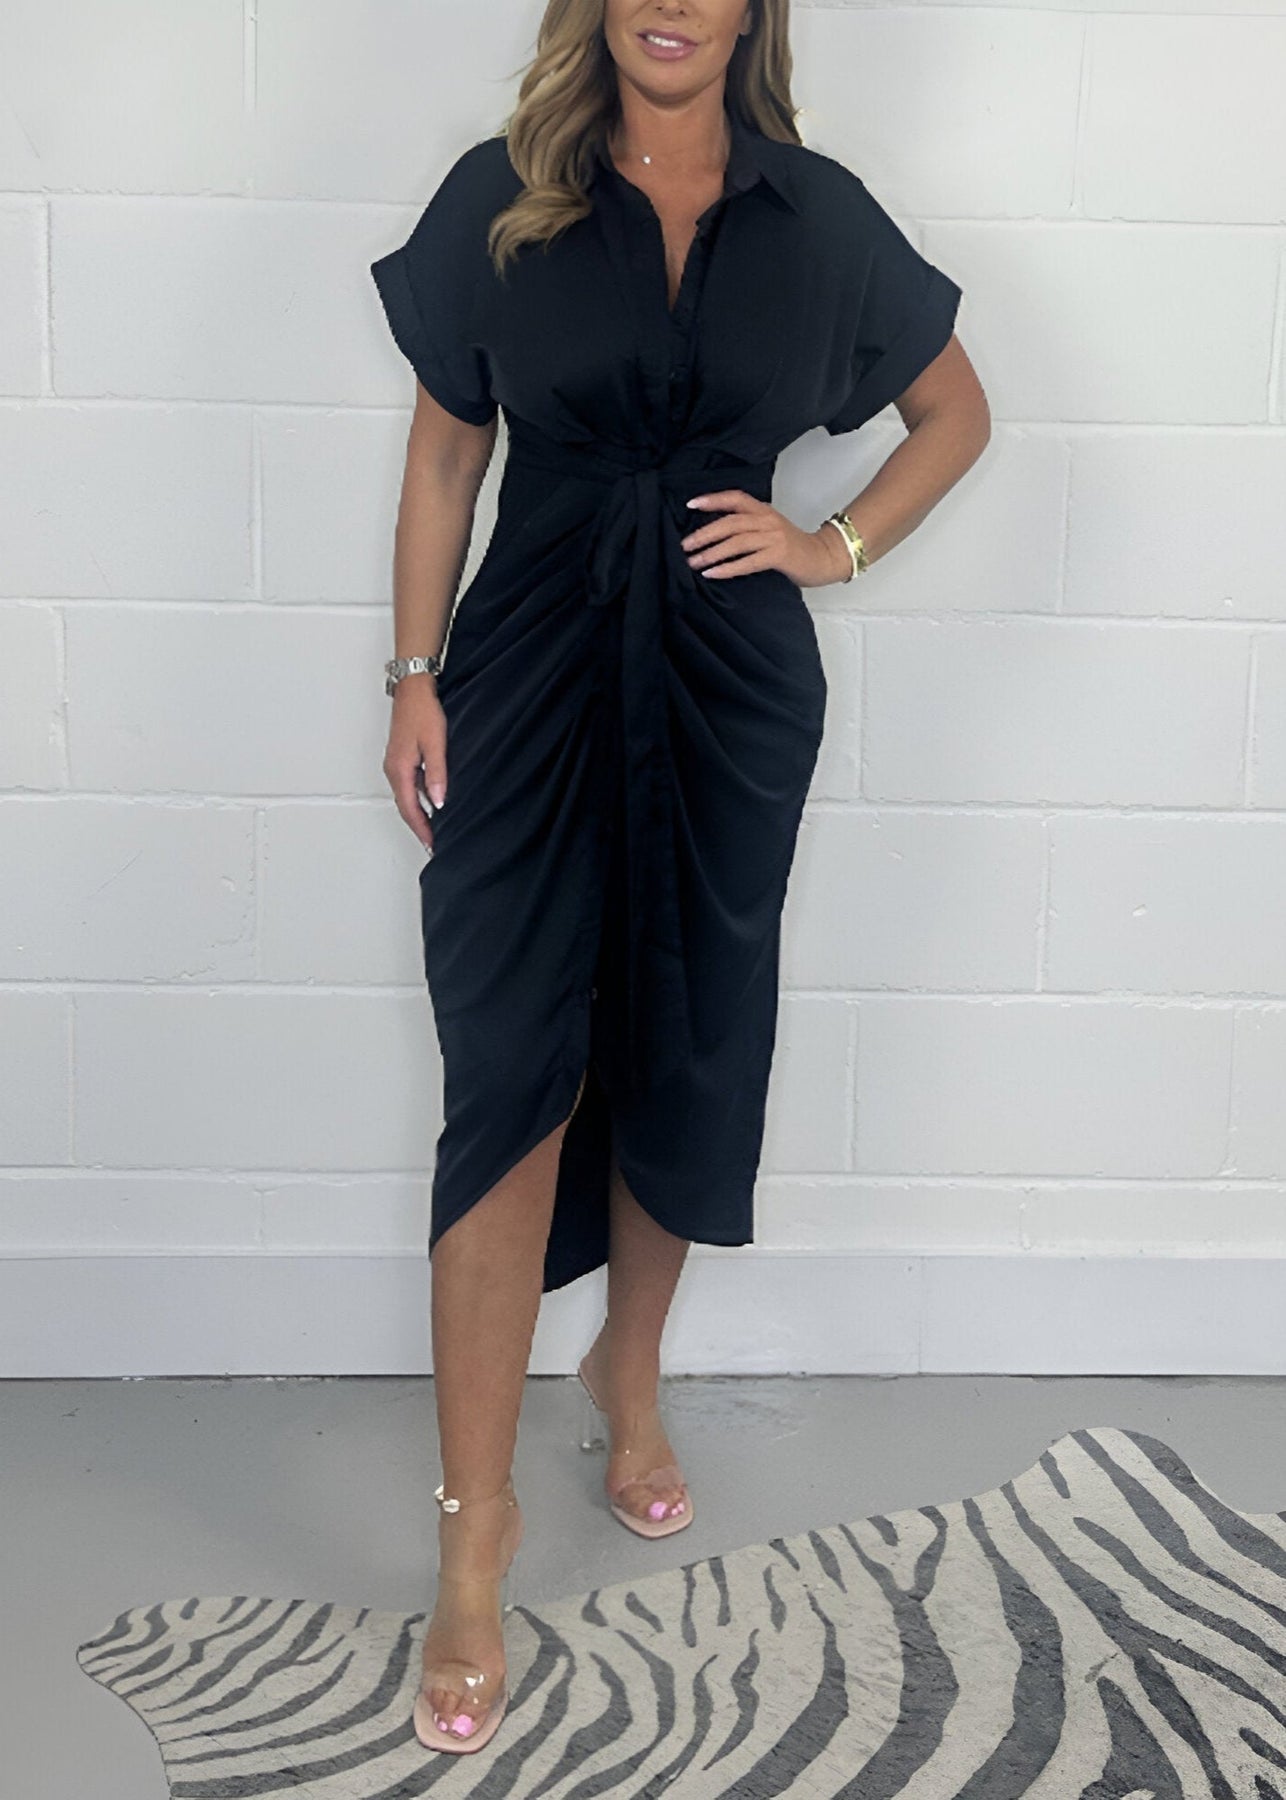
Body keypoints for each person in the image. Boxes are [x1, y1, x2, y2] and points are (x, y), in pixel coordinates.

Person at [369, 0, 990, 1757]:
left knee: (685, 1042)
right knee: (510, 1071)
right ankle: (473, 1533)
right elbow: (445, 453)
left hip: (725, 688)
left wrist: (829, 543)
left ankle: (625, 1377)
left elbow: (954, 410)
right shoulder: (503, 194)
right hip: (527, 685)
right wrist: (410, 677)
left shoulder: (817, 213)